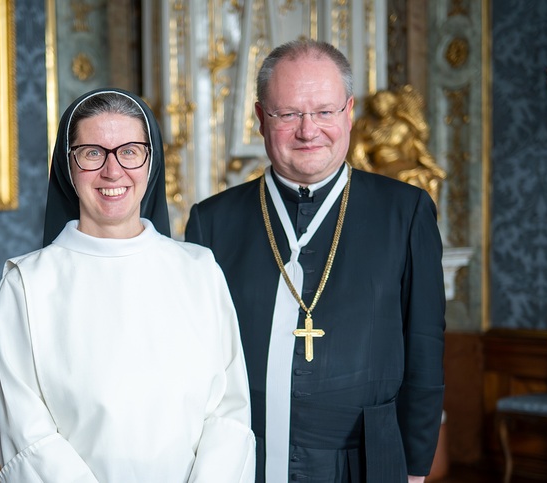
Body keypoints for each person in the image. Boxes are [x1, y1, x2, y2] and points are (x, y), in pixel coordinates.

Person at [185, 39, 445, 483]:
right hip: (245, 455)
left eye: (324, 112)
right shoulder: (212, 222)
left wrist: (415, 467)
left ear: (348, 114)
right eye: (288, 114)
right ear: (260, 118)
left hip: (366, 460)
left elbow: (424, 344)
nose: (308, 131)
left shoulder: (405, 211)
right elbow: (193, 361)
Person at [0, 88, 255, 482]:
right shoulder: (27, 284)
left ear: (151, 163)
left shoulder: (200, 271)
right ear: (68, 166)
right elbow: (26, 434)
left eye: (129, 151)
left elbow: (229, 414)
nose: (112, 171)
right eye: (93, 152)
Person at [349, 85, 447, 207]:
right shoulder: (366, 126)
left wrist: (432, 166)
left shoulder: (402, 126)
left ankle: (425, 220)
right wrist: (368, 172)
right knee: (405, 181)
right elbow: (358, 153)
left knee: (428, 180)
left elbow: (418, 146)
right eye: (377, 101)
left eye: (383, 101)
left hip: (404, 164)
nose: (379, 105)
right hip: (384, 168)